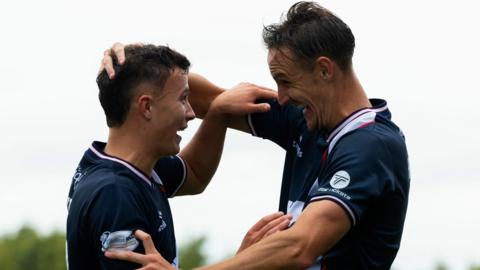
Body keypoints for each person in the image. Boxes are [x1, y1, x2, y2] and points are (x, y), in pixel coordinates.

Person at [103, 1, 410, 269]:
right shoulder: (307, 120)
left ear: (325, 70)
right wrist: (131, 63)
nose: (281, 96)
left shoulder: (373, 146)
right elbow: (193, 98)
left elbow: (299, 247)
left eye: (285, 81)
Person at [66, 44, 290, 270]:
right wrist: (243, 263)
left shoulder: (121, 164)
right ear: (146, 106)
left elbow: (193, 172)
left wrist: (218, 113)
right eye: (183, 99)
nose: (192, 113)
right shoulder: (115, 195)